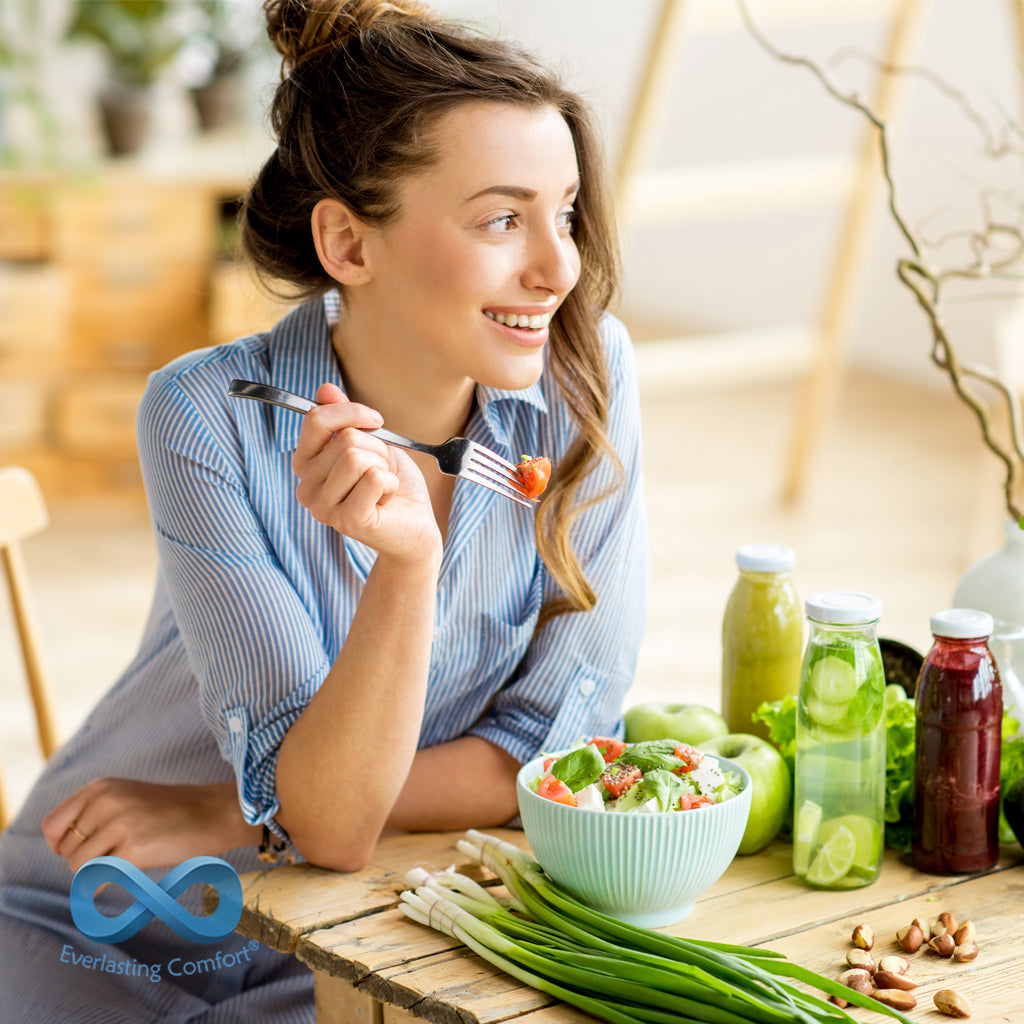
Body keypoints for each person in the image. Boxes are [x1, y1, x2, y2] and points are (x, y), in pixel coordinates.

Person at [0, 0, 648, 1019]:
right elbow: (335, 821)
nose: (557, 267)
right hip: (99, 916)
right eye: (500, 219)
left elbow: (554, 751)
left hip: (352, 930)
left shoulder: (587, 379)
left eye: (563, 212)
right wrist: (404, 574)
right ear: (348, 242)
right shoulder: (206, 411)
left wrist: (234, 809)